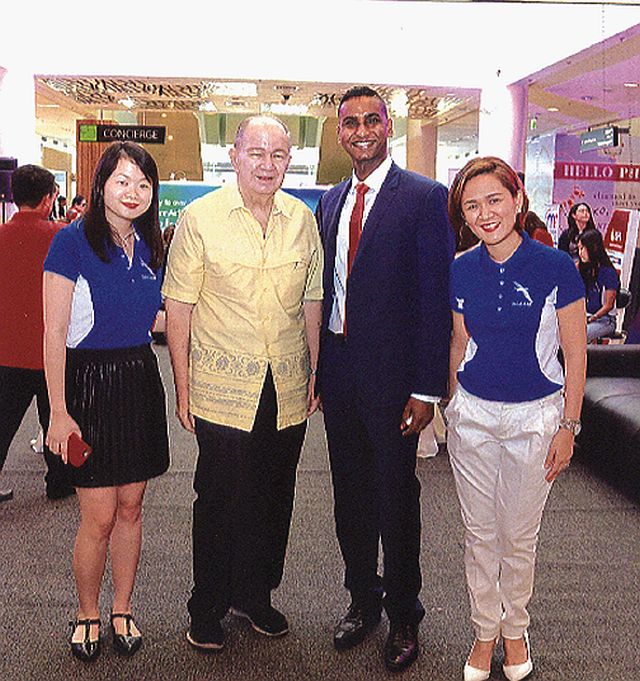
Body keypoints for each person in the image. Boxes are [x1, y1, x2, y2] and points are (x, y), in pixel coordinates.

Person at [163, 115, 323, 653]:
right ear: (234, 156)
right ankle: (206, 604)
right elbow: (179, 308)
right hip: (221, 385)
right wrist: (182, 390)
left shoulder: (303, 219)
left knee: (275, 496)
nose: (267, 164)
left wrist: (314, 373)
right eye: (256, 152)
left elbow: (311, 303)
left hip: (286, 382)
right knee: (219, 497)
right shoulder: (199, 218)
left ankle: (255, 593)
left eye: (279, 154)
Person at [315, 86, 454, 673]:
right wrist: (319, 371)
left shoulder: (424, 198)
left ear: (388, 126)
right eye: (351, 123)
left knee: (396, 498)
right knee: (349, 496)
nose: (362, 130)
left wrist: (426, 390)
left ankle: (403, 614)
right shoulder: (331, 201)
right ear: (340, 132)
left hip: (397, 383)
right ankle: (362, 601)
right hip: (340, 374)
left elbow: (433, 301)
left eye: (372, 119)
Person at [446, 156, 586, 681]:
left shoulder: (555, 267)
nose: (486, 214)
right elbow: (460, 343)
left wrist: (567, 428)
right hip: (474, 418)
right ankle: (485, 631)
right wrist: (452, 404)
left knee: (518, 535)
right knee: (479, 533)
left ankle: (514, 628)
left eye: (494, 200)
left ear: (518, 198)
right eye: (472, 206)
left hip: (536, 420)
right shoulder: (460, 267)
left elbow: (576, 353)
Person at [43, 141, 169, 661]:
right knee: (96, 515)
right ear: (100, 187)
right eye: (122, 181)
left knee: (132, 507)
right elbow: (53, 334)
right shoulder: (71, 243)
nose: (133, 192)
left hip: (138, 377)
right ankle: (87, 611)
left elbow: (151, 319)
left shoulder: (150, 243)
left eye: (143, 184)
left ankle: (122, 608)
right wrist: (57, 410)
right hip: (87, 383)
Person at [0, 164, 73, 503]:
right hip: (51, 349)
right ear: (49, 198)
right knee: (56, 415)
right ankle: (59, 482)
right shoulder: (62, 236)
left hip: (6, 349)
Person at [577, 229, 620, 342]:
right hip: (588, 316)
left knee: (578, 337)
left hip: (605, 320)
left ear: (593, 248)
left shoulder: (608, 272)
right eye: (579, 249)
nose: (580, 253)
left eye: (582, 249)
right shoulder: (585, 269)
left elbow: (608, 305)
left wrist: (591, 319)